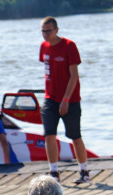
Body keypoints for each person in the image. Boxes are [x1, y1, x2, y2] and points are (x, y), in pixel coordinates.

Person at [39, 16, 91, 184]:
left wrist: (66, 99)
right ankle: (54, 172)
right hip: (50, 99)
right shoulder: (43, 47)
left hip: (70, 99)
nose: (45, 34)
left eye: (48, 31)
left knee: (75, 135)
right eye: (43, 31)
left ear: (56, 30)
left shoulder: (69, 46)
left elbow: (74, 75)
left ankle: (84, 171)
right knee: (49, 135)